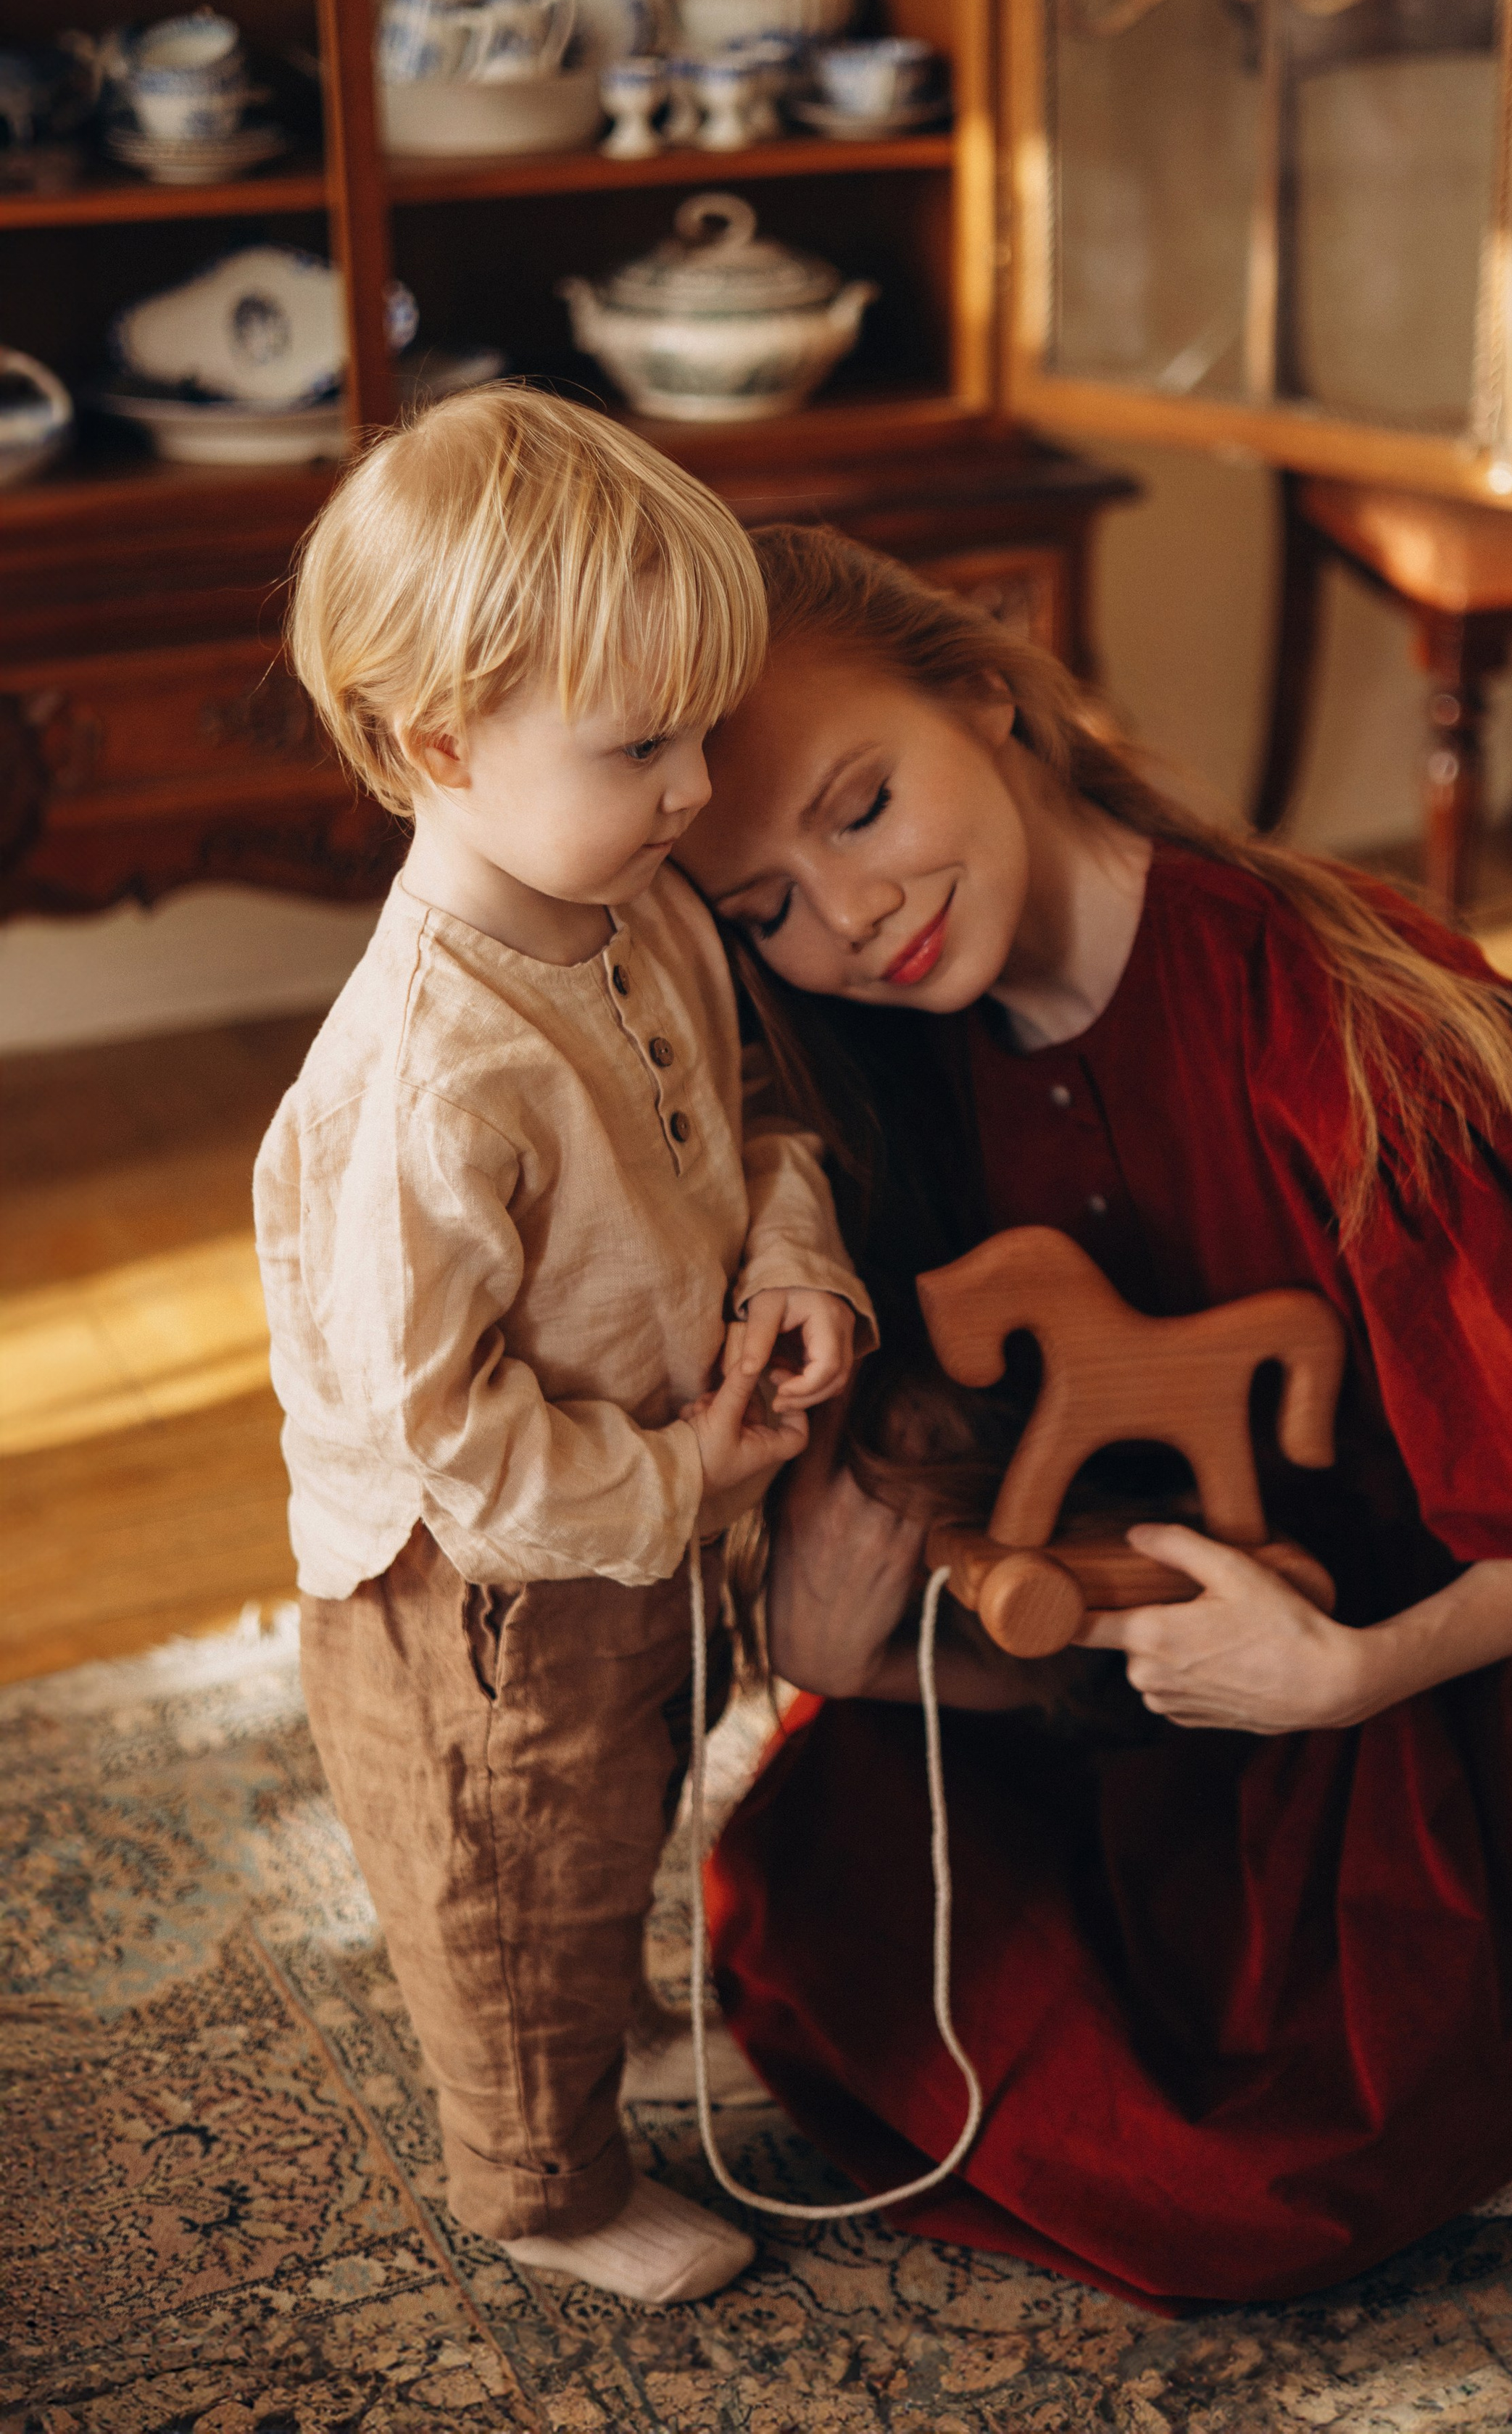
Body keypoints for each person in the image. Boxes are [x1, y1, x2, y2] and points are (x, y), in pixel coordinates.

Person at [675, 521, 1512, 2310]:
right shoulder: (884, 1067)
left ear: (987, 699)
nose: (851, 910)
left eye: (862, 806)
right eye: (765, 909)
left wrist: (1352, 1674)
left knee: (1268, 2160)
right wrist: (863, 1647)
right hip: (1173, 1625)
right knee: (815, 1919)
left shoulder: (1336, 1025)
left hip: (1469, 1635)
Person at [255, 396, 872, 2306]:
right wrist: (680, 1477)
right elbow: (442, 1437)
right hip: (482, 1584)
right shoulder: (427, 1070)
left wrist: (791, 1259)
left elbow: (759, 1117)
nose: (700, 783)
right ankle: (538, 2173)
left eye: (703, 726)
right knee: (513, 1864)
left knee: (626, 1794)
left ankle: (601, 2014)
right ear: (441, 747)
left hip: (644, 1504)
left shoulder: (636, 904)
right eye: (642, 744)